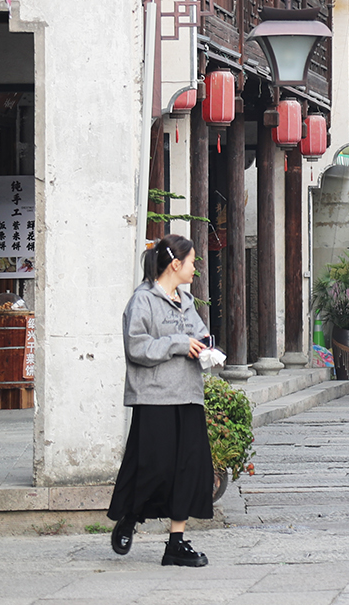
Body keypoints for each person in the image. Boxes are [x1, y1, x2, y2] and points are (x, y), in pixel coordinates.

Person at [107, 233, 213, 567]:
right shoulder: (143, 301)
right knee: (153, 468)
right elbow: (136, 348)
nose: (196, 267)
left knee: (189, 469)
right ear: (175, 264)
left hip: (188, 395)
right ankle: (129, 518)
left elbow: (196, 333)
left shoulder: (186, 299)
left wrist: (206, 345)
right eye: (193, 261)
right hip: (154, 398)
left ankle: (176, 544)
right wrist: (179, 343)